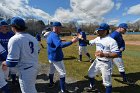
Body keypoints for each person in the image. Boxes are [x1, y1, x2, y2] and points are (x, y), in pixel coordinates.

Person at [2, 17, 39, 93]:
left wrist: (4, 63)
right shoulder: (33, 38)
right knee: (32, 88)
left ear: (13, 27)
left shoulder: (14, 39)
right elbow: (37, 51)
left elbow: (12, 62)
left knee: (28, 91)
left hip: (26, 70)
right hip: (35, 66)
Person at [82, 23, 120, 93]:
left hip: (106, 64)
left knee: (107, 83)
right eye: (98, 30)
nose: (98, 31)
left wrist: (104, 54)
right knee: (90, 74)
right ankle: (92, 87)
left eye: (100, 30)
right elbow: (89, 42)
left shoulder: (111, 41)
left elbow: (117, 54)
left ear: (105, 31)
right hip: (97, 61)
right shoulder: (98, 38)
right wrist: (81, 38)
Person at [47, 22, 78, 93]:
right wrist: (72, 41)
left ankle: (51, 83)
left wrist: (60, 40)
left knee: (51, 71)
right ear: (56, 28)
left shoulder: (51, 34)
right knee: (62, 73)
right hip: (56, 58)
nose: (61, 29)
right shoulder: (54, 35)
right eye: (60, 28)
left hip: (51, 57)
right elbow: (60, 45)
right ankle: (63, 90)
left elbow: (51, 42)